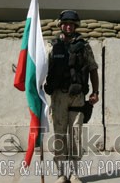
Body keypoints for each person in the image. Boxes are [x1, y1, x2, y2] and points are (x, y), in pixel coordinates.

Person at [44, 10, 99, 183]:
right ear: (60, 25)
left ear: (75, 26)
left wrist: (95, 92)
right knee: (59, 134)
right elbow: (42, 69)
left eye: (72, 24)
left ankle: (74, 173)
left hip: (77, 96)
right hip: (59, 96)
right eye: (65, 23)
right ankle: (61, 174)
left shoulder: (84, 46)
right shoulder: (51, 45)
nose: (68, 26)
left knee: (75, 134)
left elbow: (93, 69)